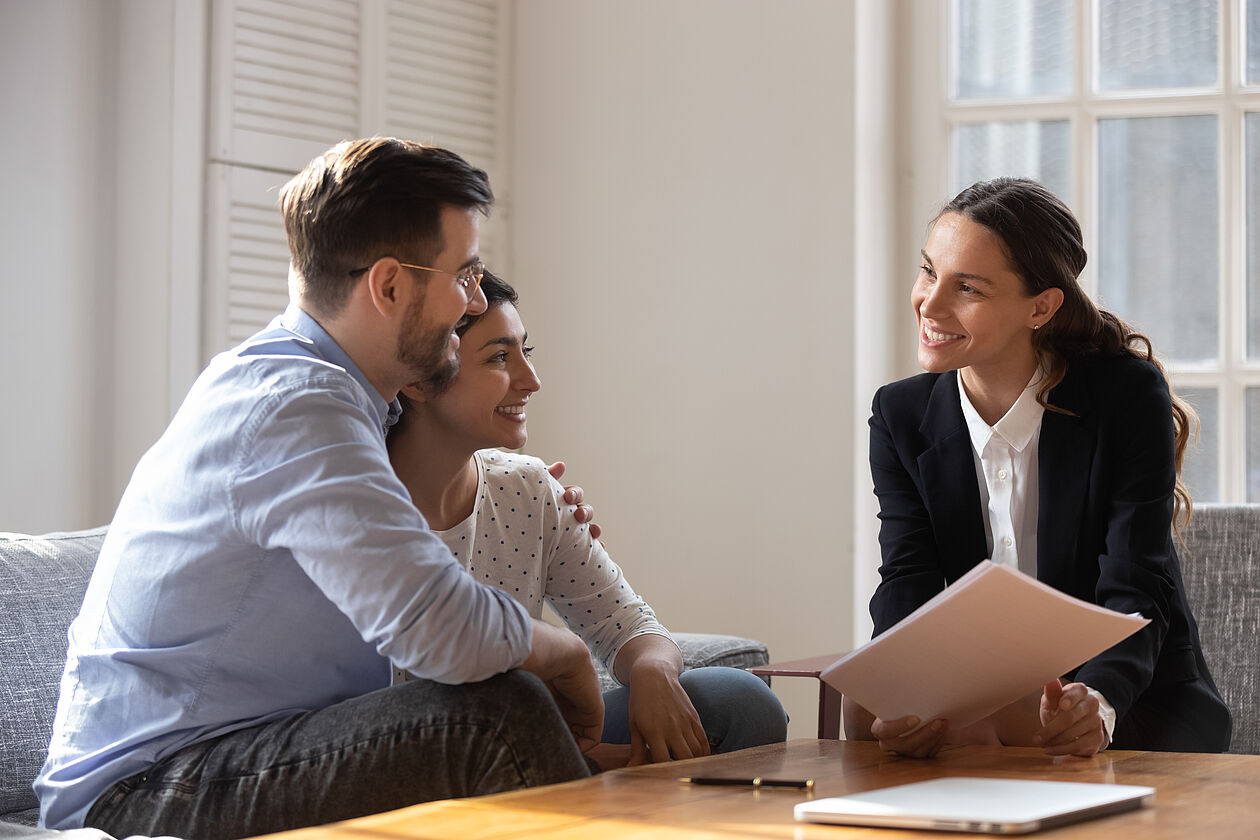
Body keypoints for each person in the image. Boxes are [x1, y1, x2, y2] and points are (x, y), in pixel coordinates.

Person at [36, 138, 609, 840]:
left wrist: (531, 497)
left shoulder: (350, 399)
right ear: (391, 285)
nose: (473, 298)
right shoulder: (297, 407)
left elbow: (427, 538)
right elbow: (440, 628)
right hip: (149, 789)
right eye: (464, 274)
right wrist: (566, 651)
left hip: (245, 753)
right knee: (495, 718)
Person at [845, 177, 1231, 758]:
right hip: (988, 695)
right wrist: (902, 688)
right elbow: (908, 577)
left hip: (1136, 699)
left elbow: (1134, 583)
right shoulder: (900, 414)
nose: (931, 302)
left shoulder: (1124, 396)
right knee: (866, 713)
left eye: (967, 287)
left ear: (1042, 306)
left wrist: (1096, 700)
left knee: (989, 728)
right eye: (929, 272)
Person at [385, 272, 788, 768]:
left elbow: (628, 625)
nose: (531, 380)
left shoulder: (528, 489)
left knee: (737, 701)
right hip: (436, 751)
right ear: (419, 380)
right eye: (498, 358)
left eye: (524, 352)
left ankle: (594, 780)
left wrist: (653, 672)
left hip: (528, 735)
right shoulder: (359, 508)